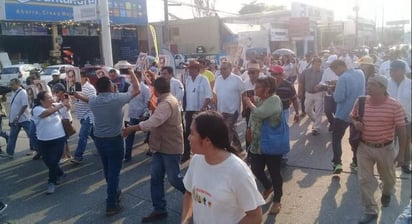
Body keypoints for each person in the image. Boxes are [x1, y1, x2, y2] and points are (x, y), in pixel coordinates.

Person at [74, 70, 140, 216]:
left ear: (97, 89)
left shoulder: (94, 100)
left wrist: (76, 94)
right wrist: (131, 72)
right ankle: (111, 204)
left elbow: (84, 98)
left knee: (107, 170)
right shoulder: (117, 99)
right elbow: (137, 90)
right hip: (115, 140)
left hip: (100, 140)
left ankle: (115, 192)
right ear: (111, 87)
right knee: (114, 173)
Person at [181, 111, 265, 224]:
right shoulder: (197, 160)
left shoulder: (238, 171)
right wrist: (185, 220)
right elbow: (188, 193)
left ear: (207, 141)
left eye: (192, 133)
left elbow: (255, 217)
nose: (188, 138)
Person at [122, 77, 185, 223]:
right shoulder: (166, 100)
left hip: (170, 148)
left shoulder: (167, 102)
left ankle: (194, 196)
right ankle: (160, 209)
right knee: (156, 179)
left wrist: (132, 128)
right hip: (160, 147)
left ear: (155, 90)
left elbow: (153, 122)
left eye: (152, 89)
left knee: (174, 179)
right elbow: (157, 118)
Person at [350, 75, 407, 224]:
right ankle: (370, 210)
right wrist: (356, 123)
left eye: (373, 85)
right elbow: (353, 116)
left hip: (385, 149)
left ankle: (386, 193)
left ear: (383, 88)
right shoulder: (361, 101)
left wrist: (401, 154)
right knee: (364, 180)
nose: (368, 87)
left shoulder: (395, 106)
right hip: (364, 147)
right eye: (368, 84)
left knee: (388, 180)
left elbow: (401, 129)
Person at [243, 76, 284, 215]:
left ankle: (277, 200)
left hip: (271, 144)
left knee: (274, 172)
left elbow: (260, 113)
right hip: (256, 144)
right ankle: (268, 186)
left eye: (258, 87)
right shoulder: (259, 100)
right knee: (256, 168)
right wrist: (248, 129)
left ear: (267, 89)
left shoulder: (274, 100)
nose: (255, 90)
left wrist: (249, 103)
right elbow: (253, 117)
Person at [329, 59, 365, 174]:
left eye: (335, 70)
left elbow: (338, 98)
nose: (335, 73)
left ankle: (337, 163)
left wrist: (332, 91)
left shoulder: (343, 78)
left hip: (343, 113)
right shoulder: (360, 73)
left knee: (336, 137)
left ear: (340, 66)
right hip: (358, 113)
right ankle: (356, 162)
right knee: (355, 138)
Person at [32, 91, 70, 194]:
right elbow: (46, 114)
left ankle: (51, 182)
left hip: (58, 138)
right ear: (41, 101)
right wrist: (60, 105)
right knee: (49, 162)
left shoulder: (56, 105)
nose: (51, 98)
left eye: (51, 97)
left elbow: (67, 109)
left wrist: (67, 103)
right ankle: (61, 174)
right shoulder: (37, 109)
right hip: (43, 140)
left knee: (53, 161)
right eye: (48, 98)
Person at [182, 61, 212, 163]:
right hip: (190, 110)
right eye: (189, 68)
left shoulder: (204, 79)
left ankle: (202, 155)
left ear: (198, 70)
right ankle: (186, 154)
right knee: (188, 132)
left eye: (192, 68)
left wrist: (202, 108)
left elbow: (209, 96)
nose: (190, 70)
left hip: (200, 110)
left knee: (201, 134)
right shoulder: (188, 80)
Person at [214, 62, 246, 157]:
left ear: (230, 69)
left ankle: (226, 150)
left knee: (228, 127)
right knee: (228, 128)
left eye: (225, 69)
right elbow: (216, 93)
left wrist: (244, 108)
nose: (222, 71)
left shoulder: (237, 79)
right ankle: (239, 149)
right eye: (221, 69)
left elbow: (243, 94)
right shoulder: (218, 79)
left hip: (233, 110)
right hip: (221, 109)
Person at [269, 65, 299, 166]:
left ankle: (284, 155)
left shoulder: (288, 85)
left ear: (281, 75)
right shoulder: (268, 84)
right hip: (271, 112)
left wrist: (297, 113)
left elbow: (294, 99)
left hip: (284, 111)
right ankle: (274, 153)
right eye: (271, 74)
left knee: (283, 132)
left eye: (275, 74)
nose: (272, 76)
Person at [387, 60, 411, 174]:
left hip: (407, 120)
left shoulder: (410, 84)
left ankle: (405, 164)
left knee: (406, 142)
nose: (391, 72)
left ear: (402, 71)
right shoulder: (386, 83)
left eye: (393, 70)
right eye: (390, 70)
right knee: (388, 143)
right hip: (388, 121)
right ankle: (387, 163)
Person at [71, 71, 97, 164]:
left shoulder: (90, 88)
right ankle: (103, 148)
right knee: (94, 135)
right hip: (81, 115)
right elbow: (76, 99)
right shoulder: (76, 86)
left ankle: (78, 156)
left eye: (79, 77)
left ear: (85, 78)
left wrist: (79, 96)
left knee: (83, 135)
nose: (76, 79)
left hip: (89, 115)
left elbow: (92, 101)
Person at [124, 70, 150, 162]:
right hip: (133, 115)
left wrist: (145, 114)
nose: (131, 79)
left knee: (150, 134)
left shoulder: (145, 88)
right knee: (130, 135)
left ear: (138, 77)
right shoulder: (130, 87)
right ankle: (127, 156)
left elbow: (148, 103)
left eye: (133, 77)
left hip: (142, 116)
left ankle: (152, 151)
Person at [4, 79, 33, 158]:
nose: (11, 86)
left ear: (18, 84)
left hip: (24, 119)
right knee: (12, 136)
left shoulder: (22, 92)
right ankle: (9, 153)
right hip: (15, 120)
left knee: (31, 135)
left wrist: (18, 116)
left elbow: (25, 105)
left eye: (12, 84)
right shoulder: (14, 92)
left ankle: (39, 150)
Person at [298, 57, 324, 136]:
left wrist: (320, 87)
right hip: (308, 93)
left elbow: (325, 83)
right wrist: (300, 92)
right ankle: (316, 121)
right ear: (312, 64)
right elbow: (301, 82)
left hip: (319, 94)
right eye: (316, 65)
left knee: (318, 111)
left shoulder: (323, 72)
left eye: (319, 65)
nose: (317, 66)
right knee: (307, 110)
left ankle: (316, 128)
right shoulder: (306, 72)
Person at [52, 83, 73, 164]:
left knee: (63, 140)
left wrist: (65, 104)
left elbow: (68, 106)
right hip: (62, 120)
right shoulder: (58, 98)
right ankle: (68, 155)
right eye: (55, 91)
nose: (56, 93)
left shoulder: (65, 96)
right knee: (65, 140)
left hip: (66, 120)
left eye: (57, 91)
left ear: (62, 91)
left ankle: (64, 156)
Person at [318, 54, 339, 132]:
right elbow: (323, 81)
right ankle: (332, 122)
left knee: (336, 111)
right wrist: (320, 85)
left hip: (337, 94)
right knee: (327, 110)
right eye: (330, 63)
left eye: (332, 63)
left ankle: (336, 125)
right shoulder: (326, 70)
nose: (330, 65)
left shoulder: (340, 72)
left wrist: (334, 84)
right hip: (328, 93)